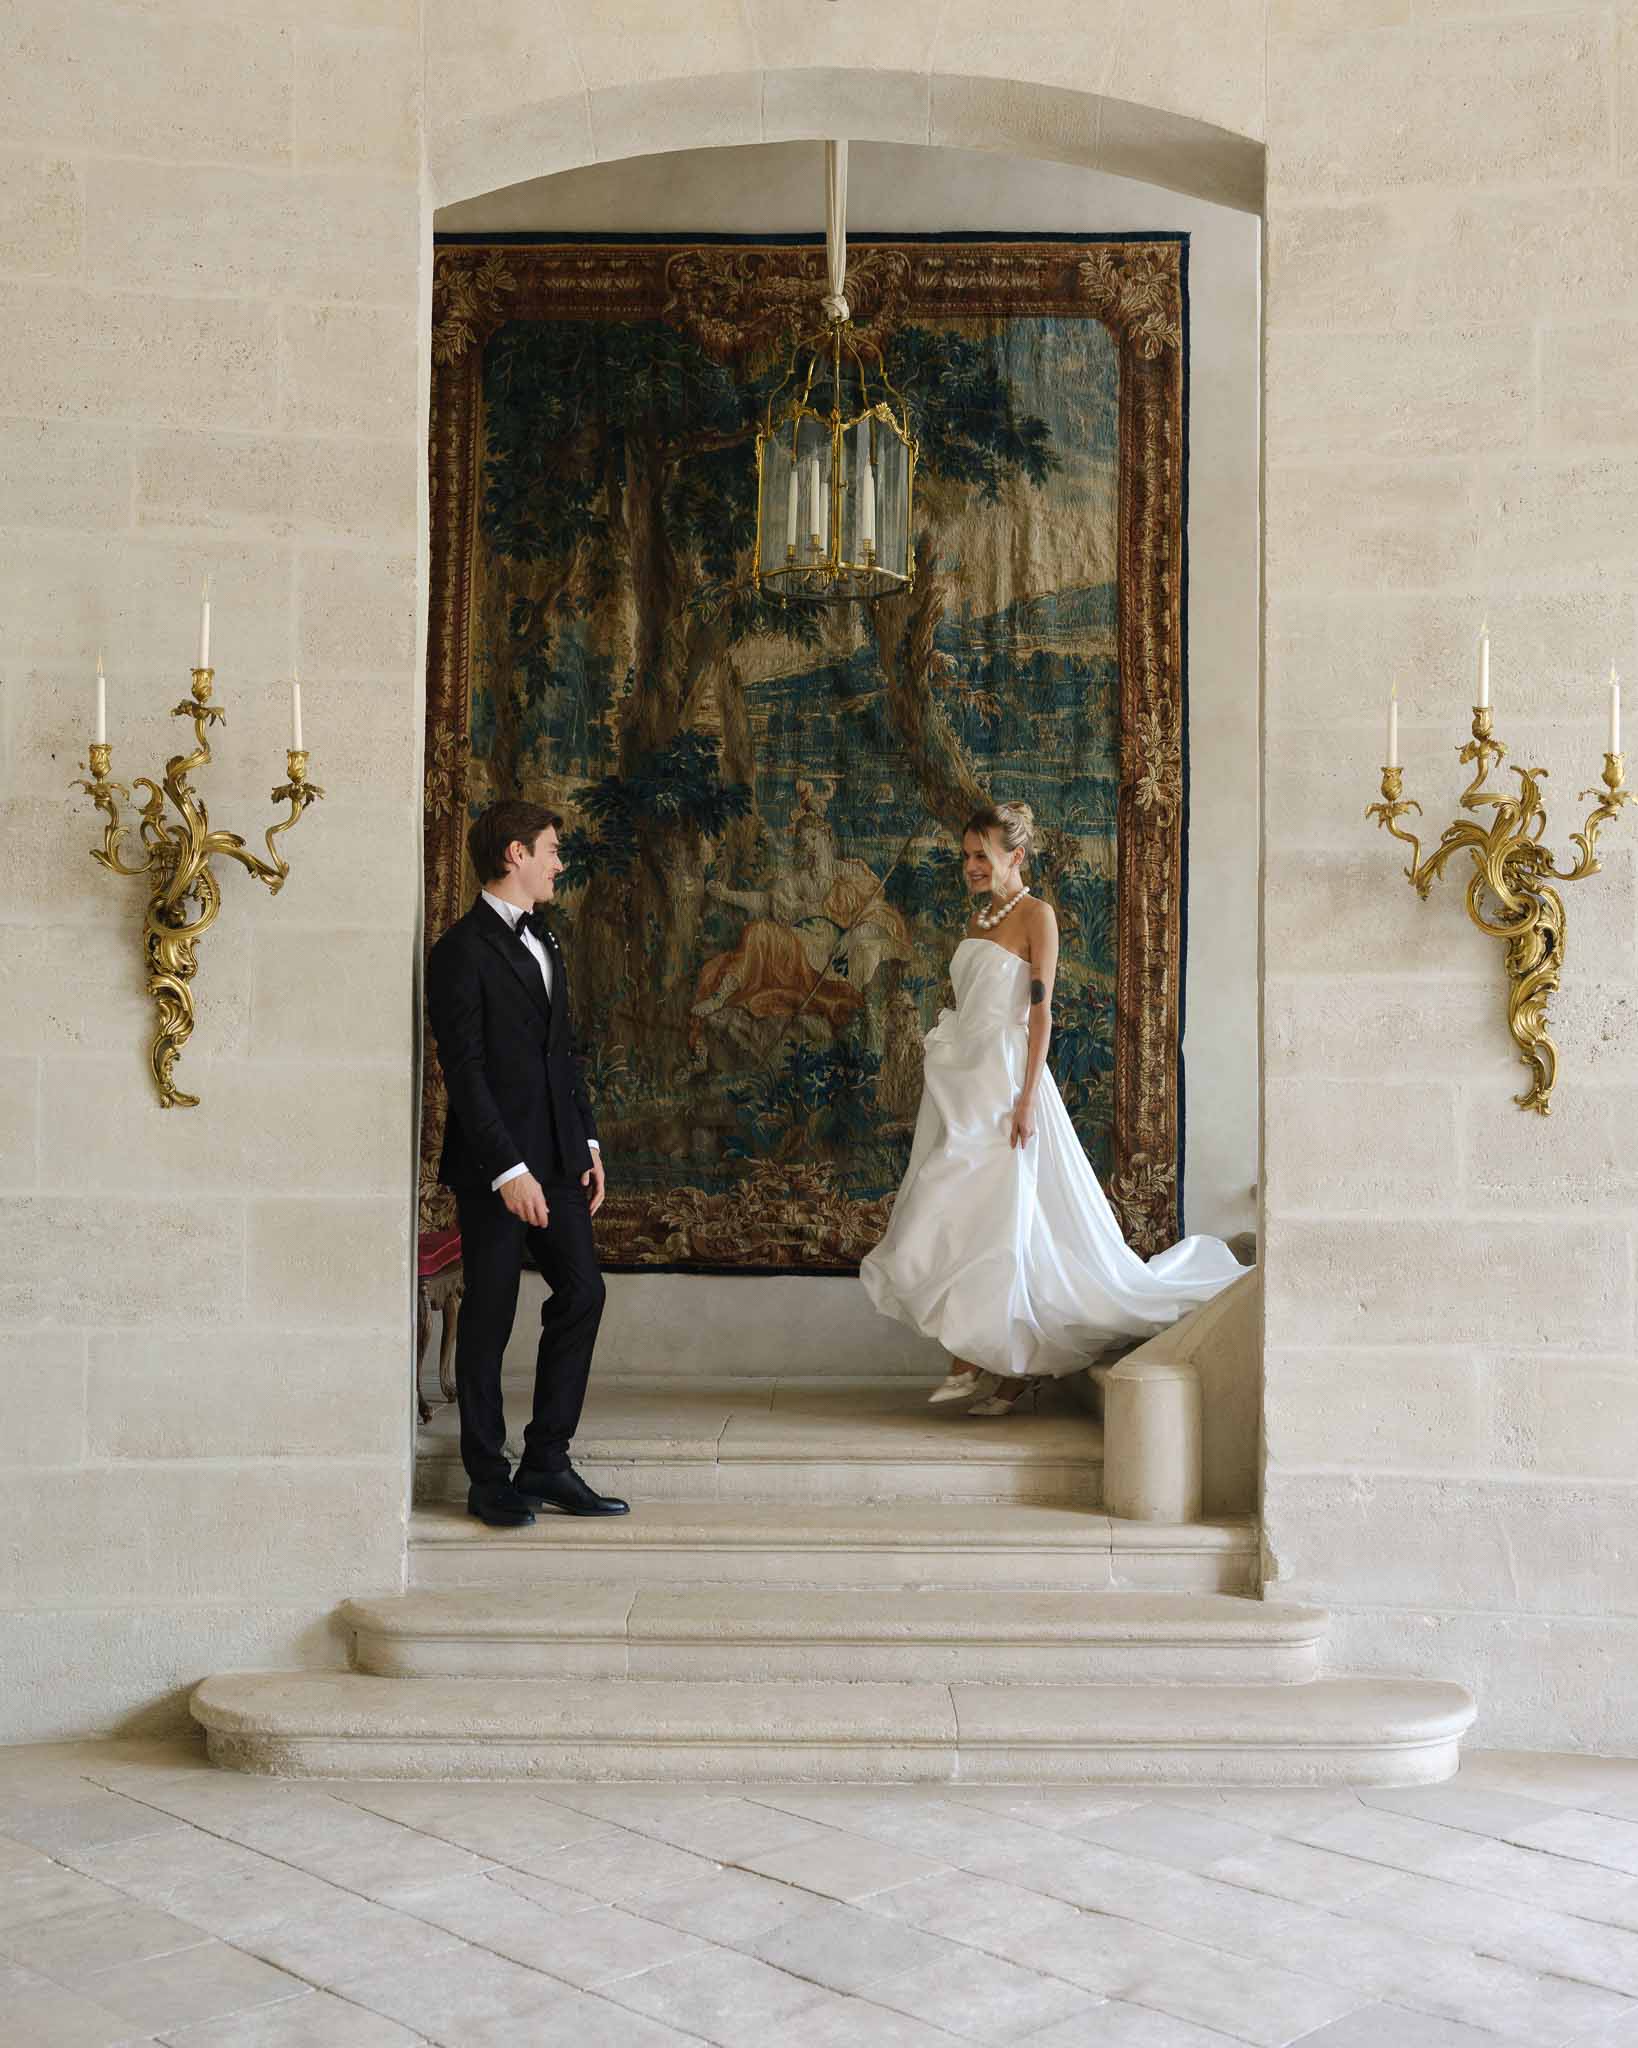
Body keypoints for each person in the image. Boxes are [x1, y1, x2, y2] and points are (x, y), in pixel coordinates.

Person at [859, 801, 1243, 1414]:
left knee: (1000, 1215)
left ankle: (979, 1362)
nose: (970, 865)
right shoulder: (979, 917)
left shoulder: (1037, 916)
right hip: (966, 1079)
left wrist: (1027, 1098)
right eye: (966, 855)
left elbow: (1040, 1014)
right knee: (960, 1209)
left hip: (1008, 1080)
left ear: (1016, 856)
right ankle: (1002, 1363)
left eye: (981, 855)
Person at [425, 800, 629, 1526]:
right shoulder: (459, 950)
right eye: (551, 851)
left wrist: (588, 1142)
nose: (558, 864)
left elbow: (561, 1053)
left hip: (560, 1157)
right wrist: (508, 1171)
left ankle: (547, 1460)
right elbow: (466, 1072)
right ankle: (487, 1476)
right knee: (490, 1314)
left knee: (584, 1292)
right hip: (496, 1167)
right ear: (516, 854)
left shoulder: (546, 936)